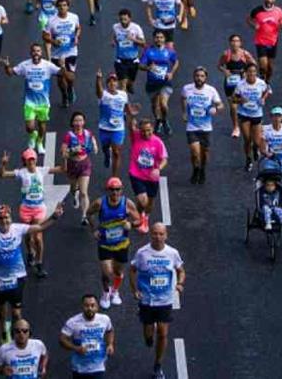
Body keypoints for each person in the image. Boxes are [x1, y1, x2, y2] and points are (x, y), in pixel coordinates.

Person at [0, 202, 65, 343]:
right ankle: (3, 331)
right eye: (1, 218)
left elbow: (40, 227)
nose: (4, 221)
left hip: (17, 277)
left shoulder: (18, 229)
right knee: (1, 310)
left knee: (17, 313)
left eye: (6, 218)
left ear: (10, 218)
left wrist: (54, 217)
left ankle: (18, 335)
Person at [129, 222, 185, 379]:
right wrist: (134, 290)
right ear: (150, 235)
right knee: (148, 332)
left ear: (166, 235)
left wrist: (180, 283)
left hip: (164, 299)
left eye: (161, 234)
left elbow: (181, 270)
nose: (158, 237)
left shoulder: (172, 253)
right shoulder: (142, 253)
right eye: (155, 233)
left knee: (162, 332)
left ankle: (158, 365)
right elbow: (132, 270)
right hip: (147, 299)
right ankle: (148, 336)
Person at [0, 149, 65, 278]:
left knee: (38, 238)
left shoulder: (41, 170)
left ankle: (39, 263)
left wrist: (65, 158)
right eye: (28, 160)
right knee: (28, 236)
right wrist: (3, 164)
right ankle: (30, 253)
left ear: (36, 160)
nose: (31, 162)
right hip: (26, 210)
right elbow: (3, 175)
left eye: (33, 159)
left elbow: (62, 169)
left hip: (39, 209)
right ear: (25, 161)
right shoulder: (21, 173)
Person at [86, 177, 142, 310]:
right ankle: (105, 293)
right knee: (107, 272)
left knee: (118, 272)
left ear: (122, 190)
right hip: (104, 243)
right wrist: (94, 229)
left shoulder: (127, 204)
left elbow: (139, 219)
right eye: (112, 190)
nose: (115, 193)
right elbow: (88, 214)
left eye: (118, 190)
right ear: (107, 190)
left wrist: (131, 224)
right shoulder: (100, 203)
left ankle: (115, 291)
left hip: (121, 244)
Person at [1, 44, 61, 153]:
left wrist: (63, 66)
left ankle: (40, 142)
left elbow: (60, 72)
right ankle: (33, 135)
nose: (36, 53)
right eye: (34, 51)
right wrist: (6, 66)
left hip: (43, 103)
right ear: (31, 53)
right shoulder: (25, 65)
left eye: (38, 51)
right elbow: (11, 72)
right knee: (29, 127)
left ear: (41, 53)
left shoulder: (48, 65)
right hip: (30, 103)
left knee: (42, 126)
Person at [180, 66, 222, 184]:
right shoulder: (187, 89)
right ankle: (195, 169)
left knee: (205, 153)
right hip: (192, 126)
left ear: (206, 78)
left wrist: (215, 108)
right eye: (197, 76)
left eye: (202, 76)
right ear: (194, 77)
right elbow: (183, 98)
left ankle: (202, 169)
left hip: (206, 127)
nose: (199, 78)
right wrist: (184, 113)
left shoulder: (211, 90)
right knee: (195, 153)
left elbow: (220, 105)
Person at [127, 119, 168, 233]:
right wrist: (131, 115)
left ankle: (145, 216)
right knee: (142, 200)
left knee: (149, 202)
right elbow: (131, 126)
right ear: (140, 130)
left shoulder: (158, 142)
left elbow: (164, 159)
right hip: (136, 174)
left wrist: (158, 168)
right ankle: (140, 217)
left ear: (153, 129)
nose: (146, 133)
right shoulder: (136, 136)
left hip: (151, 177)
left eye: (148, 130)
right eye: (143, 131)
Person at [60, 294, 116, 377]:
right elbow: (62, 339)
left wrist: (110, 344)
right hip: (80, 367)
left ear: (97, 306)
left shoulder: (105, 319)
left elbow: (110, 330)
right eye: (86, 306)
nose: (90, 308)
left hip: (98, 365)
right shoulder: (73, 322)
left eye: (92, 305)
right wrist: (76, 348)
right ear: (82, 307)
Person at [43, 0, 83, 107]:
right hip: (57, 54)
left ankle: (70, 88)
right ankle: (64, 95)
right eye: (60, 6)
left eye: (64, 5)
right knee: (60, 78)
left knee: (70, 76)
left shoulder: (74, 17)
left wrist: (76, 37)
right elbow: (44, 36)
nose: (62, 8)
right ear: (57, 8)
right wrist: (53, 41)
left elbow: (78, 28)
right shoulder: (51, 21)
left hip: (71, 51)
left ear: (68, 7)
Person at [139, 30, 179, 136]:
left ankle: (165, 120)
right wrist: (148, 67)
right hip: (152, 83)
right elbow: (140, 65)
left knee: (163, 104)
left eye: (161, 37)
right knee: (154, 105)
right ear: (153, 38)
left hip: (165, 82)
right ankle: (158, 120)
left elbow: (176, 62)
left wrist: (171, 73)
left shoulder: (169, 51)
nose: (159, 39)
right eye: (157, 37)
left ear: (164, 39)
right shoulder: (148, 51)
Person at [95, 69, 136, 173]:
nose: (112, 83)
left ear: (117, 83)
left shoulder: (123, 95)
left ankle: (114, 178)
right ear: (107, 84)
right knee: (105, 147)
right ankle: (106, 153)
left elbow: (127, 109)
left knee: (117, 153)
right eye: (110, 81)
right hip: (104, 128)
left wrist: (132, 115)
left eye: (114, 81)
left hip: (118, 128)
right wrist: (98, 79)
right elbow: (98, 91)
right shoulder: (103, 95)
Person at [231, 63, 270, 171]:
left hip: (257, 113)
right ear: (246, 73)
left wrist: (263, 99)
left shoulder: (261, 83)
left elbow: (267, 91)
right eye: (249, 72)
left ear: (256, 72)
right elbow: (233, 98)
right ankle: (248, 159)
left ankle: (255, 148)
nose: (251, 73)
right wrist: (240, 100)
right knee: (247, 139)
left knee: (257, 141)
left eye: (253, 71)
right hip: (244, 114)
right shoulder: (240, 84)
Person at [62, 111, 100, 219]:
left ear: (84, 122)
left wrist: (95, 146)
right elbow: (64, 153)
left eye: (80, 120)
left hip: (85, 164)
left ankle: (84, 215)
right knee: (73, 188)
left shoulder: (87, 133)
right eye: (76, 121)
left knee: (84, 192)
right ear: (72, 123)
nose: (78, 123)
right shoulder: (68, 136)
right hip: (72, 164)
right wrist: (72, 150)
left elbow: (92, 138)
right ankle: (75, 194)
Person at [217, 34, 255, 138]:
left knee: (245, 103)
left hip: (242, 82)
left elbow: (253, 64)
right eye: (233, 41)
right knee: (233, 106)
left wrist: (246, 72)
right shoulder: (226, 54)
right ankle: (236, 127)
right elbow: (219, 65)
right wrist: (225, 71)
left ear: (240, 43)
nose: (235, 43)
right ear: (230, 43)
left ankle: (249, 122)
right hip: (230, 82)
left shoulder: (244, 54)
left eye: (237, 41)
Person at [247, 0, 282, 82]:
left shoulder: (278, 11)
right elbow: (248, 19)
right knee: (263, 65)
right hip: (260, 42)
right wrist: (254, 25)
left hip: (273, 41)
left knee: (270, 67)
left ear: (274, 0)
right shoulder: (257, 10)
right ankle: (262, 78)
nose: (268, 0)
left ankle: (267, 82)